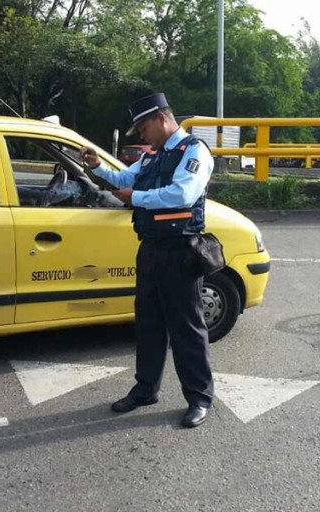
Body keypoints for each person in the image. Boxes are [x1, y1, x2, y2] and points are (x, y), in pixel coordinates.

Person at [79, 93, 215, 428]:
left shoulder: (193, 151)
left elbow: (183, 194)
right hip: (151, 249)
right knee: (149, 324)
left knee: (187, 328)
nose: (142, 135)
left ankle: (199, 397)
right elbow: (126, 179)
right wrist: (98, 166)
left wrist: (137, 198)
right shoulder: (154, 156)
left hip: (181, 251)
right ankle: (145, 389)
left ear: (161, 118)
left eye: (143, 127)